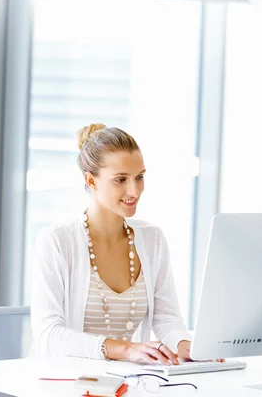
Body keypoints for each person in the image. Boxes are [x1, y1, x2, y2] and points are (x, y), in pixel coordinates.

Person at [30, 123, 193, 365]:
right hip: (65, 381)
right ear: (91, 180)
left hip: (128, 381)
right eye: (120, 180)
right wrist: (126, 349)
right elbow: (49, 335)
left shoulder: (152, 239)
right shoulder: (56, 241)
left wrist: (187, 346)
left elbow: (166, 317)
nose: (134, 190)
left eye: (139, 177)